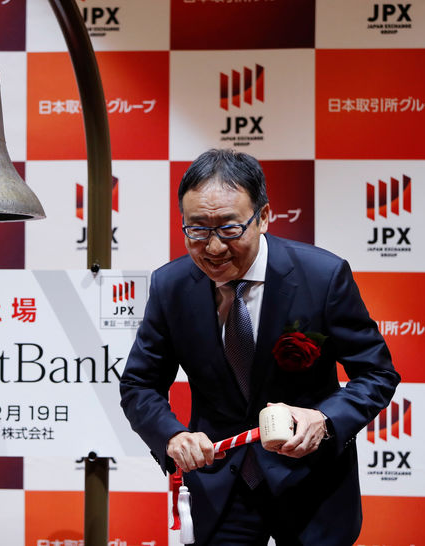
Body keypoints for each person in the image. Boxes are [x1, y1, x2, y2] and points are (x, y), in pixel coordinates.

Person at [119, 149, 400, 545]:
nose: (213, 248)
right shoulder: (171, 286)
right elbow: (139, 386)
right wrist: (171, 436)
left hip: (311, 484)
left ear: (264, 216)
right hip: (221, 485)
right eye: (197, 229)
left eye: (230, 229)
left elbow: (377, 373)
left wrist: (326, 420)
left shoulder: (322, 276)